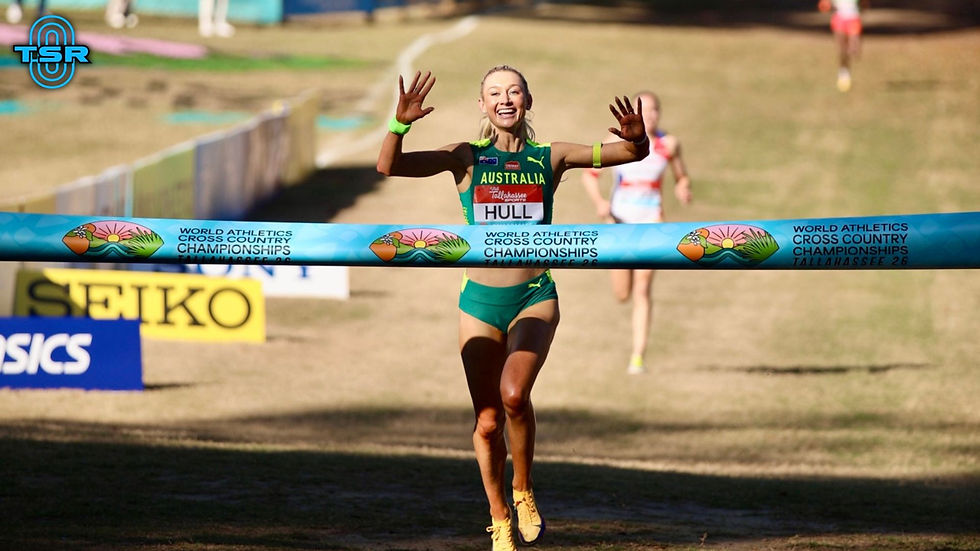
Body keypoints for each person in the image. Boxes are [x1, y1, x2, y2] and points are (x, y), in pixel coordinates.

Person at [376, 66, 648, 551]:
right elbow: (389, 167)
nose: (505, 99)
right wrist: (399, 125)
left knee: (515, 395)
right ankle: (498, 515)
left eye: (514, 91)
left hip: (534, 297)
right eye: (495, 93)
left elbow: (626, 154)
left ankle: (523, 491)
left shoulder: (552, 156)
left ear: (528, 100)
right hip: (479, 303)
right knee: (486, 421)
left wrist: (637, 139)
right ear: (482, 105)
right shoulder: (465, 157)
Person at [581, 91, 691, 375]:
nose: (650, 115)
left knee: (643, 290)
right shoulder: (616, 142)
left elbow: (681, 174)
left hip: (652, 222)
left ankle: (637, 356)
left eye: (654, 110)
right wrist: (600, 203)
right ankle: (636, 352)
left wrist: (682, 186)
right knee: (622, 293)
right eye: (646, 110)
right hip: (618, 222)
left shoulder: (669, 145)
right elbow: (589, 175)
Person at [818, 0, 870, 92]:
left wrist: (861, 9)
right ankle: (844, 73)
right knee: (842, 50)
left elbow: (864, 4)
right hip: (839, 18)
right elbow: (826, 4)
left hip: (854, 18)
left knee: (854, 49)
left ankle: (846, 67)